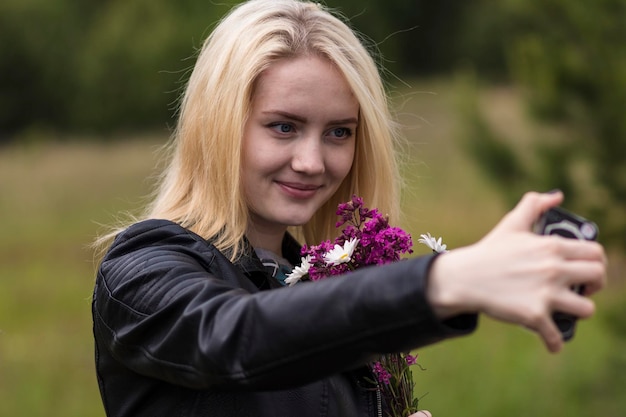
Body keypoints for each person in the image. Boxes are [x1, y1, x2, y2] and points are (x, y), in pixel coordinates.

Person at [91, 0, 607, 416]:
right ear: (218, 127)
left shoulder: (316, 285)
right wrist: (446, 280)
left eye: (339, 132)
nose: (313, 162)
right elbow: (239, 336)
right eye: (283, 126)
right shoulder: (142, 270)